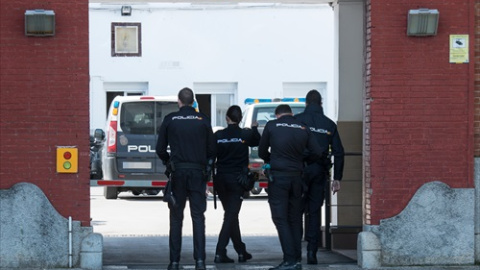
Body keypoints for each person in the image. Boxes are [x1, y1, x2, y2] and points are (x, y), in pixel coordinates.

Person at [258, 104, 325, 270]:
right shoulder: (303, 127)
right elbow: (318, 152)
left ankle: (289, 260)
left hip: (279, 177)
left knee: (280, 219)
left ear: (277, 115)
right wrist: (302, 158)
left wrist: (271, 159)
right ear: (291, 114)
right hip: (297, 178)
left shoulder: (272, 125)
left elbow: (261, 152)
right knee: (295, 219)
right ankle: (296, 259)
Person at [156, 87, 216, 270]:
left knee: (176, 218)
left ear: (179, 101)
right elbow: (213, 151)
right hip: (198, 174)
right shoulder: (203, 120)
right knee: (198, 218)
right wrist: (206, 169)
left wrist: (169, 163)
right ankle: (200, 262)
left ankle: (174, 262)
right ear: (193, 102)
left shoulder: (170, 119)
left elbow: (160, 149)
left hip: (178, 174)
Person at [295, 89, 345, 264]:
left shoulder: (297, 121)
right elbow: (339, 152)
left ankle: (294, 252)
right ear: (321, 103)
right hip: (319, 172)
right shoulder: (329, 124)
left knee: (296, 211)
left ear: (306, 103)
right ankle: (311, 252)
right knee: (314, 212)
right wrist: (337, 177)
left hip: (299, 172)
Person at [213, 105, 260, 264]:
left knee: (231, 216)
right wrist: (254, 128)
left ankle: (241, 250)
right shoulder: (245, 134)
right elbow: (257, 141)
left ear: (227, 118)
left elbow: (211, 154)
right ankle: (220, 252)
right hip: (237, 181)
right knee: (230, 216)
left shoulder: (218, 135)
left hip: (221, 180)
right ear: (240, 119)